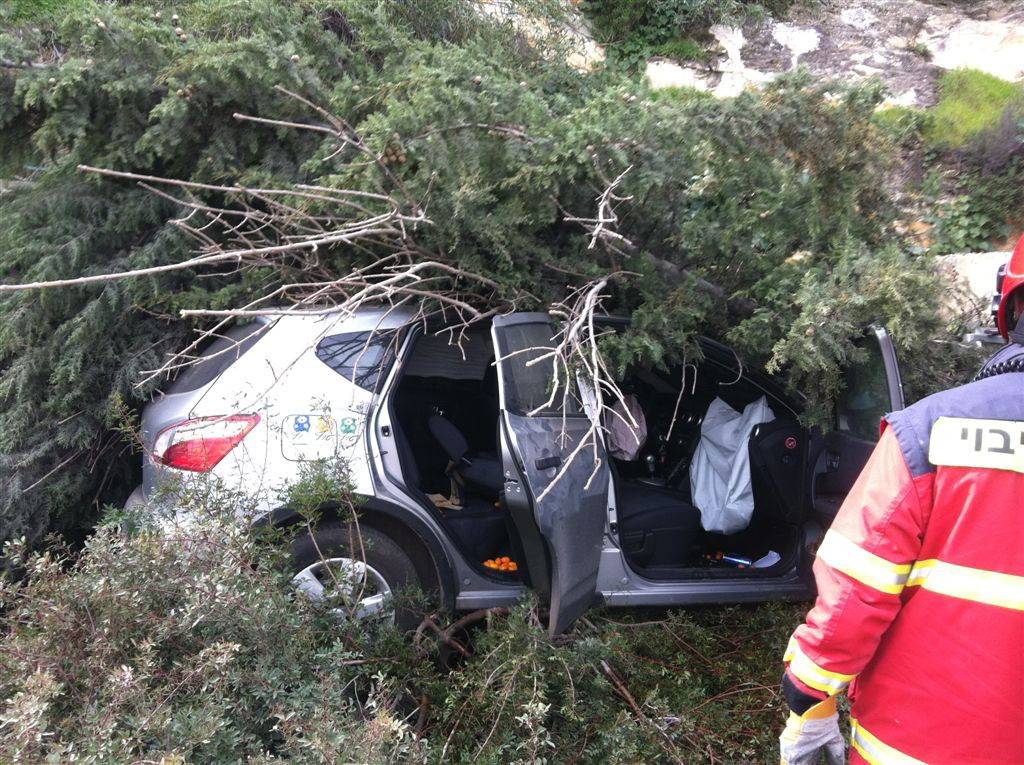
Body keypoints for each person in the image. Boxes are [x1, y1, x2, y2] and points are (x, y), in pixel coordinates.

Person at [779, 235, 1024, 765]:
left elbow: (854, 594)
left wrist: (808, 698)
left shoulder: (931, 430)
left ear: (1011, 304)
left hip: (918, 744)